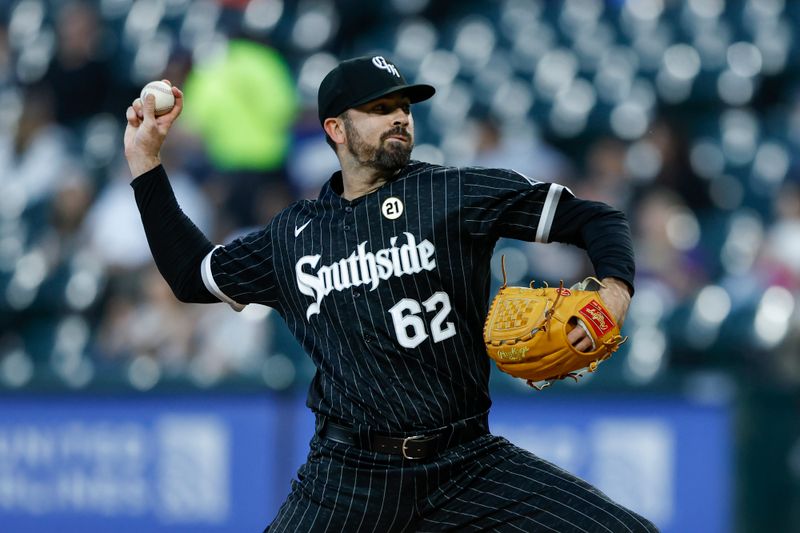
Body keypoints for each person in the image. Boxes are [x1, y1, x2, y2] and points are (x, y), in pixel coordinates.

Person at [124, 55, 658, 532]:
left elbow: (595, 218)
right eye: (380, 108)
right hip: (347, 480)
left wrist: (613, 292)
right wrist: (146, 162)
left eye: (404, 105)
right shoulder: (292, 236)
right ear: (335, 128)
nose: (400, 116)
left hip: (466, 464)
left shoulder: (449, 192)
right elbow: (193, 275)